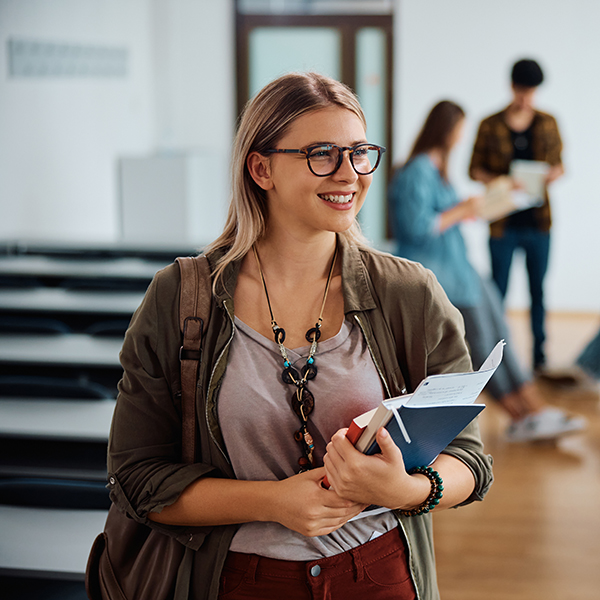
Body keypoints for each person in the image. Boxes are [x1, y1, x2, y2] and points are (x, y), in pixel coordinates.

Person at [107, 73, 493, 600]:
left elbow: (469, 459)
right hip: (237, 580)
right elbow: (138, 477)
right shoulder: (180, 297)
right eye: (321, 154)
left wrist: (408, 490)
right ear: (260, 168)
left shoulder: (410, 294)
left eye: (360, 153)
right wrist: (274, 502)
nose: (349, 174)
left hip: (379, 576)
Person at [388, 100, 585, 443]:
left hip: (462, 270)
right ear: (448, 129)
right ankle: (520, 415)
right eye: (460, 128)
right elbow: (416, 228)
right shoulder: (418, 169)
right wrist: (462, 208)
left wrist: (474, 207)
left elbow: (442, 217)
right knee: (481, 346)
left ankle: (533, 408)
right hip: (442, 277)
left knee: (499, 335)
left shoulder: (436, 169)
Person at [469, 58, 564, 372]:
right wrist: (501, 182)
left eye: (532, 91)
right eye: (522, 90)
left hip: (539, 222)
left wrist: (548, 175)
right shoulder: (490, 124)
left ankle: (539, 355)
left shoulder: (549, 122)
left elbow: (561, 165)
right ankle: (497, 356)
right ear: (512, 87)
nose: (526, 98)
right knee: (498, 292)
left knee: (539, 289)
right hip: (503, 222)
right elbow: (473, 169)